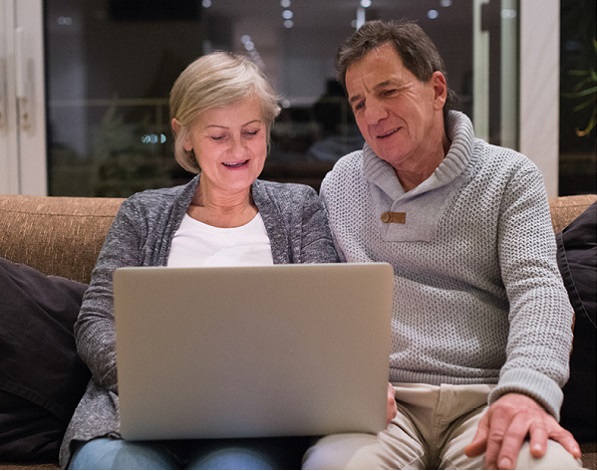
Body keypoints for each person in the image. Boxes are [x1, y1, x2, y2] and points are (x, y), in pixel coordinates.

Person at [302, 20, 583, 470]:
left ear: (436, 90)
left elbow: (540, 293)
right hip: (381, 406)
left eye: (388, 91)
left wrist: (527, 392)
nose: (372, 115)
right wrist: (345, 382)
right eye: (359, 102)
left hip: (487, 398)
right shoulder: (340, 184)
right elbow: (319, 306)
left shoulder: (509, 176)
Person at [59, 51, 339, 470]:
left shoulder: (299, 208)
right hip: (134, 418)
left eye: (251, 131)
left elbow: (326, 317)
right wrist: (148, 384)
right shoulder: (142, 213)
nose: (238, 149)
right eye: (218, 135)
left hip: (254, 423)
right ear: (185, 134)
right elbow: (96, 318)